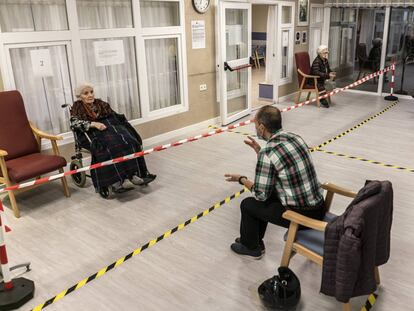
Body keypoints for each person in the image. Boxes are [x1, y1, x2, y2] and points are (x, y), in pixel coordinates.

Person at [224, 105, 325, 259]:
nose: (255, 128)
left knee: (248, 204)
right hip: (318, 206)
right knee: (268, 195)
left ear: (262, 127)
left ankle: (251, 247)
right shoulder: (294, 137)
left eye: (255, 124)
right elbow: (278, 168)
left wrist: (241, 179)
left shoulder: (269, 152)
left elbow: (260, 194)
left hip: (302, 216)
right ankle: (254, 240)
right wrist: (259, 151)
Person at [70, 83, 156, 194]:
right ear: (79, 96)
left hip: (108, 130)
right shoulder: (77, 108)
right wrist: (93, 124)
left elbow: (115, 117)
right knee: (110, 147)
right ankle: (119, 180)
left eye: (91, 92)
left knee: (130, 142)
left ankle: (134, 174)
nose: (90, 95)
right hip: (91, 135)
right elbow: (74, 124)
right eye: (86, 93)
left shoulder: (102, 104)